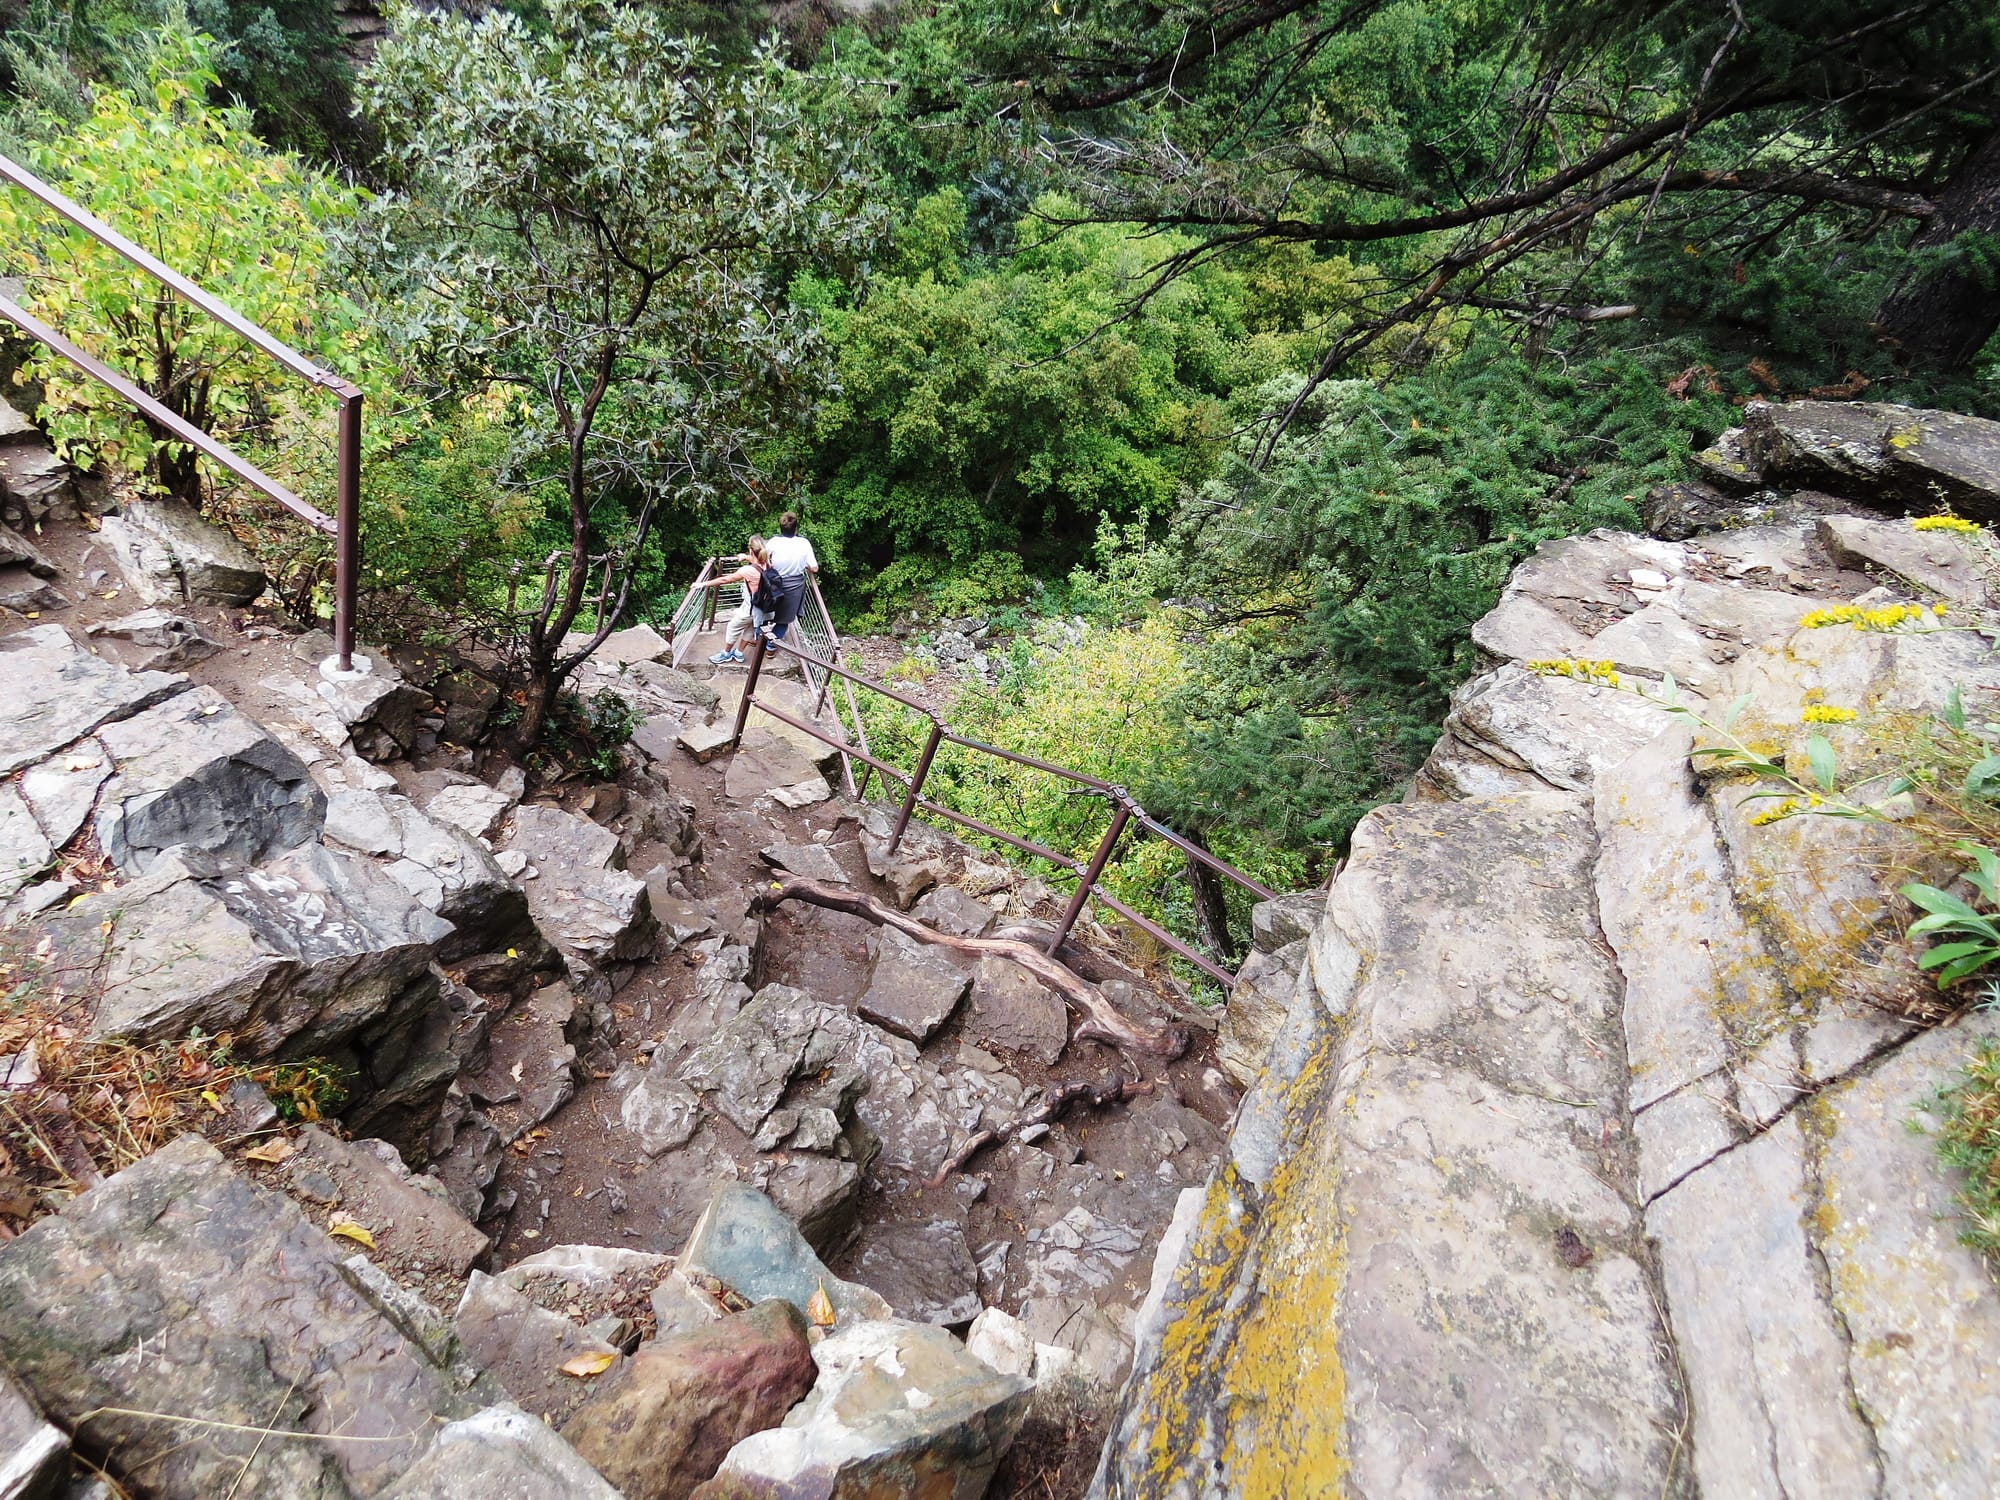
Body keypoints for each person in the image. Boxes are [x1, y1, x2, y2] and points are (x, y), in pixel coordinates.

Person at [695, 536, 771, 665]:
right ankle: (739, 653)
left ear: (751, 551)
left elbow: (725, 580)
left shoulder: (748, 570)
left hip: (751, 608)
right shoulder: (768, 564)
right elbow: (758, 560)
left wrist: (702, 584)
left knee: (732, 627)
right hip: (765, 607)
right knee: (750, 628)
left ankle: (726, 653)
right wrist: (746, 557)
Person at [763, 511, 820, 643]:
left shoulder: (774, 542)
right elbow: (814, 568)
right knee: (785, 619)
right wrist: (804, 564)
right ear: (796, 528)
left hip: (773, 583)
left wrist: (770, 563)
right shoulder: (804, 543)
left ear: (781, 528)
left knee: (766, 612)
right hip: (794, 586)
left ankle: (759, 639)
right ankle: (771, 646)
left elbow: (762, 556)